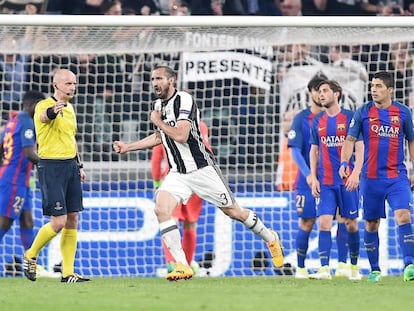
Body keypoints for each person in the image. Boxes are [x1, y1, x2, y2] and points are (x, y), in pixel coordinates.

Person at [113, 65, 284, 281]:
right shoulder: (158, 105)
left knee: (234, 212)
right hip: (178, 173)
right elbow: (160, 137)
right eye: (153, 79)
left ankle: (270, 238)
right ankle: (181, 265)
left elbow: (181, 135)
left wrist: (157, 121)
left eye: (159, 78)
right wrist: (129, 147)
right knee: (161, 209)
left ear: (171, 80)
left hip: (202, 169)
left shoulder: (184, 100)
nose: (155, 83)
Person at [340, 71, 414, 282]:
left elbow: (412, 140)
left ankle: (409, 265)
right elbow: (350, 140)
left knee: (403, 215)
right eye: (372, 85)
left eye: (379, 86)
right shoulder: (362, 112)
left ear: (390, 90)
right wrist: (345, 162)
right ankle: (374, 270)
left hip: (396, 177)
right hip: (370, 180)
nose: (374, 89)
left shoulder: (403, 113)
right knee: (371, 224)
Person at [22, 69, 90, 283]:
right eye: (68, 83)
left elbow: (71, 138)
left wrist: (79, 165)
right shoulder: (43, 105)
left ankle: (68, 272)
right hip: (51, 167)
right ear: (56, 84)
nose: (72, 87)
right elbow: (45, 116)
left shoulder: (71, 109)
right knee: (58, 221)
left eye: (74, 83)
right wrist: (53, 110)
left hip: (70, 166)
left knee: (73, 219)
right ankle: (30, 254)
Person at [309, 80, 363, 280]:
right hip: (326, 182)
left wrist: (356, 172)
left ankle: (353, 267)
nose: (320, 95)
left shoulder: (350, 117)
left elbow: (360, 147)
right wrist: (313, 177)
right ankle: (324, 269)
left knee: (350, 224)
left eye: (325, 91)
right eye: (319, 92)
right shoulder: (318, 121)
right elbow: (314, 151)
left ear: (336, 94)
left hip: (347, 182)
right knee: (323, 222)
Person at [151, 118, 212, 273]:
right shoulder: (200, 125)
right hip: (197, 179)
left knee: (171, 220)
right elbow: (207, 151)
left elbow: (157, 156)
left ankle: (173, 262)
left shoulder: (165, 126)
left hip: (174, 178)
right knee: (190, 224)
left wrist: (157, 181)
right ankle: (188, 263)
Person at [0, 91, 45, 267]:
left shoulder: (12, 120)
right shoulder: (26, 120)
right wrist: (53, 163)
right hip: (13, 180)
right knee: (5, 221)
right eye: (40, 106)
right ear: (32, 105)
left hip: (20, 180)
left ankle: (31, 264)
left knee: (27, 220)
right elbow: (29, 154)